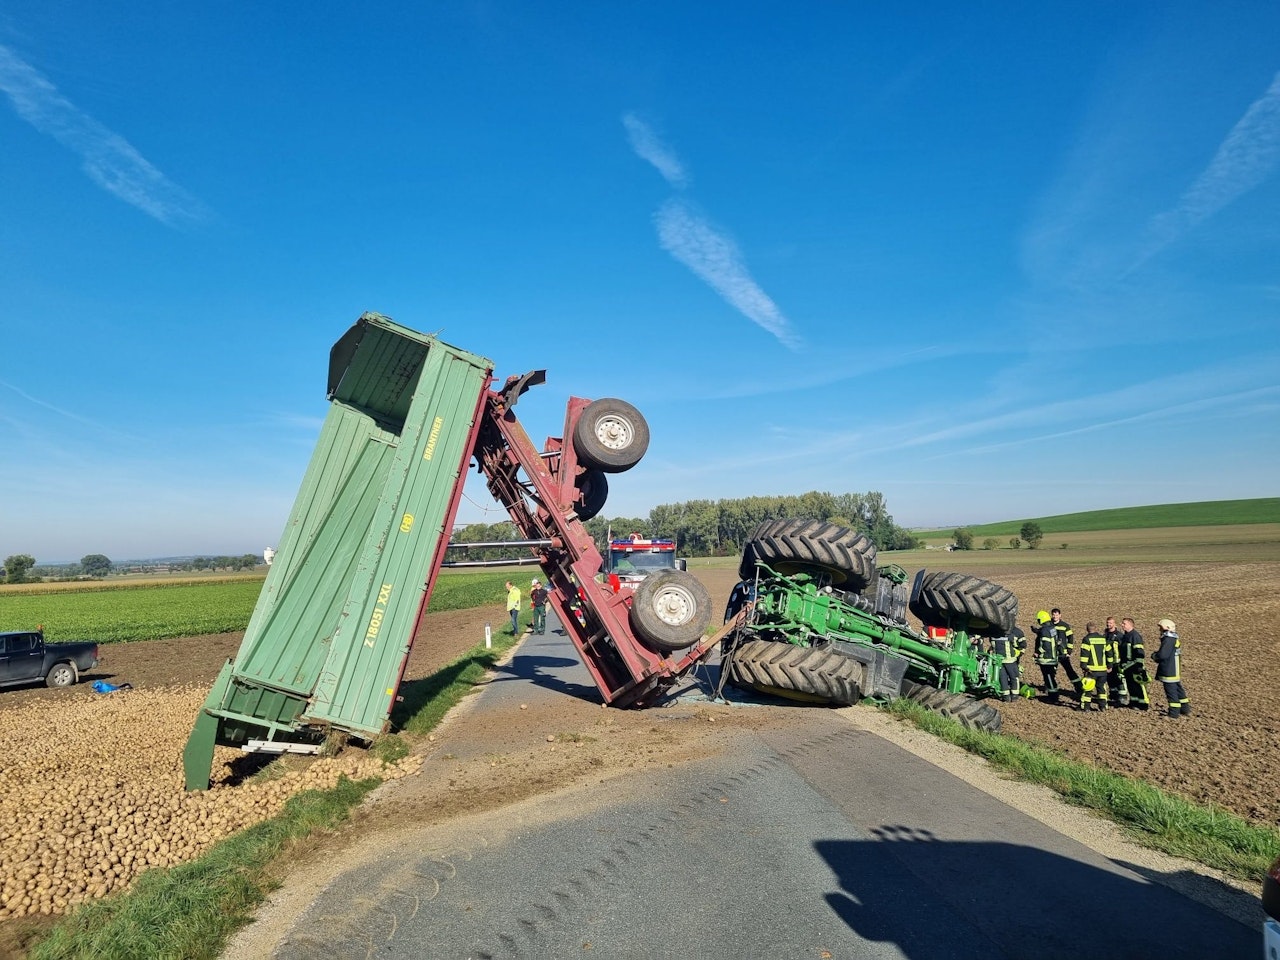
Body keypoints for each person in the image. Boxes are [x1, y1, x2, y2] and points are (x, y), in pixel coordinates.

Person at [1151, 617, 1191, 718]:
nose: (1159, 630)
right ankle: (1185, 708)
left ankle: (1174, 712)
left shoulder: (1168, 639)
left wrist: (1155, 656)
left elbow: (1163, 655)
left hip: (1169, 670)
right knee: (1178, 689)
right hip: (1174, 669)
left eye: (1160, 628)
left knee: (1171, 691)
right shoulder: (1173, 638)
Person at [1077, 622, 1112, 711]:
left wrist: (1083, 666)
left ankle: (1086, 707)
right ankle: (1103, 706)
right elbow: (1109, 653)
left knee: (1088, 689)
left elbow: (1085, 654)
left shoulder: (1087, 639)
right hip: (1102, 670)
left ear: (1087, 629)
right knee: (1102, 688)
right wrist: (1109, 665)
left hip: (1091, 670)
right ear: (1096, 628)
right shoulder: (1103, 639)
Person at [1117, 617, 1150, 710]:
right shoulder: (1125, 636)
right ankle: (1134, 702)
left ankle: (1143, 704)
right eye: (1122, 623)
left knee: (1138, 685)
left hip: (1134, 665)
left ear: (1131, 625)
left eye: (1124, 623)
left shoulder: (1135, 636)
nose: (1122, 625)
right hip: (1127, 666)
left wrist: (1139, 666)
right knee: (1131, 685)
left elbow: (1139, 651)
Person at [1051, 608, 1081, 699]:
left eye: (1056, 615)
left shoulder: (1065, 626)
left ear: (1060, 615)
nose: (1055, 616)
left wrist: (1069, 650)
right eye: (1053, 614)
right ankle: (1051, 688)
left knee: (1069, 671)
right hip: (1053, 653)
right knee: (1051, 671)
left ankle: (1079, 686)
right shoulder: (1049, 625)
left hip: (1063, 654)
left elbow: (1070, 637)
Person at [1033, 611, 1060, 704]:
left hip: (1047, 659)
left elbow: (1046, 645)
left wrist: (1037, 652)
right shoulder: (1052, 628)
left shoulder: (1044, 630)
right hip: (1053, 657)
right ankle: (1054, 695)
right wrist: (1037, 631)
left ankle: (1053, 697)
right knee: (1051, 677)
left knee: (1049, 678)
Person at [991, 626, 1024, 702]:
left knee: (1002, 678)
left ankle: (1006, 696)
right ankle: (1015, 695)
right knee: (1014, 677)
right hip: (1010, 660)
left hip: (998, 661)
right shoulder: (1010, 634)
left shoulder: (993, 634)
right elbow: (1017, 645)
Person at [1104, 616, 1127, 706]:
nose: (1109, 624)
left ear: (1114, 624)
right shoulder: (1105, 635)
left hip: (1117, 661)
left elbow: (1122, 649)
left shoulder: (1119, 636)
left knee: (1119, 678)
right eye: (1108, 623)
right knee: (1110, 679)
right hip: (1108, 661)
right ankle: (1113, 694)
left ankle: (1123, 696)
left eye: (1110, 623)